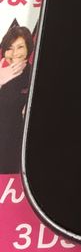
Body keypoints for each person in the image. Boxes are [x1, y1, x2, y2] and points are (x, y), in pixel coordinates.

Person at [0, 26, 33, 174]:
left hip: (13, 141)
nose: (14, 53)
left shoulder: (32, 74)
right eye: (10, 48)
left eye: (20, 47)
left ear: (28, 49)